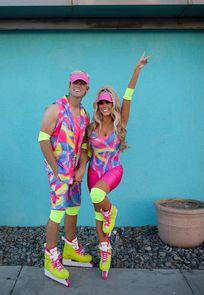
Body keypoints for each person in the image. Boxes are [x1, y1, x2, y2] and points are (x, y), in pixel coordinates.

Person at [79, 53, 151, 280]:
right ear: (97, 105)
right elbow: (85, 151)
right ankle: (105, 253)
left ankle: (112, 210)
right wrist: (80, 169)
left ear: (113, 104)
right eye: (101, 102)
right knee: (98, 218)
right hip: (93, 173)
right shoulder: (91, 127)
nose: (104, 105)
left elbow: (129, 96)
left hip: (112, 170)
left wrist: (137, 69)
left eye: (108, 102)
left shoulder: (121, 121)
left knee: (101, 199)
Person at [38, 70, 93, 286]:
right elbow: (43, 139)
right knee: (57, 211)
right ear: (69, 85)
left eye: (82, 83)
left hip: (74, 171)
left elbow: (85, 145)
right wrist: (56, 170)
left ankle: (70, 247)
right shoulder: (55, 109)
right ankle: (50, 258)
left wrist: (81, 169)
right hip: (58, 170)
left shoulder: (84, 114)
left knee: (73, 207)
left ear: (86, 88)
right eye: (74, 82)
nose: (77, 85)